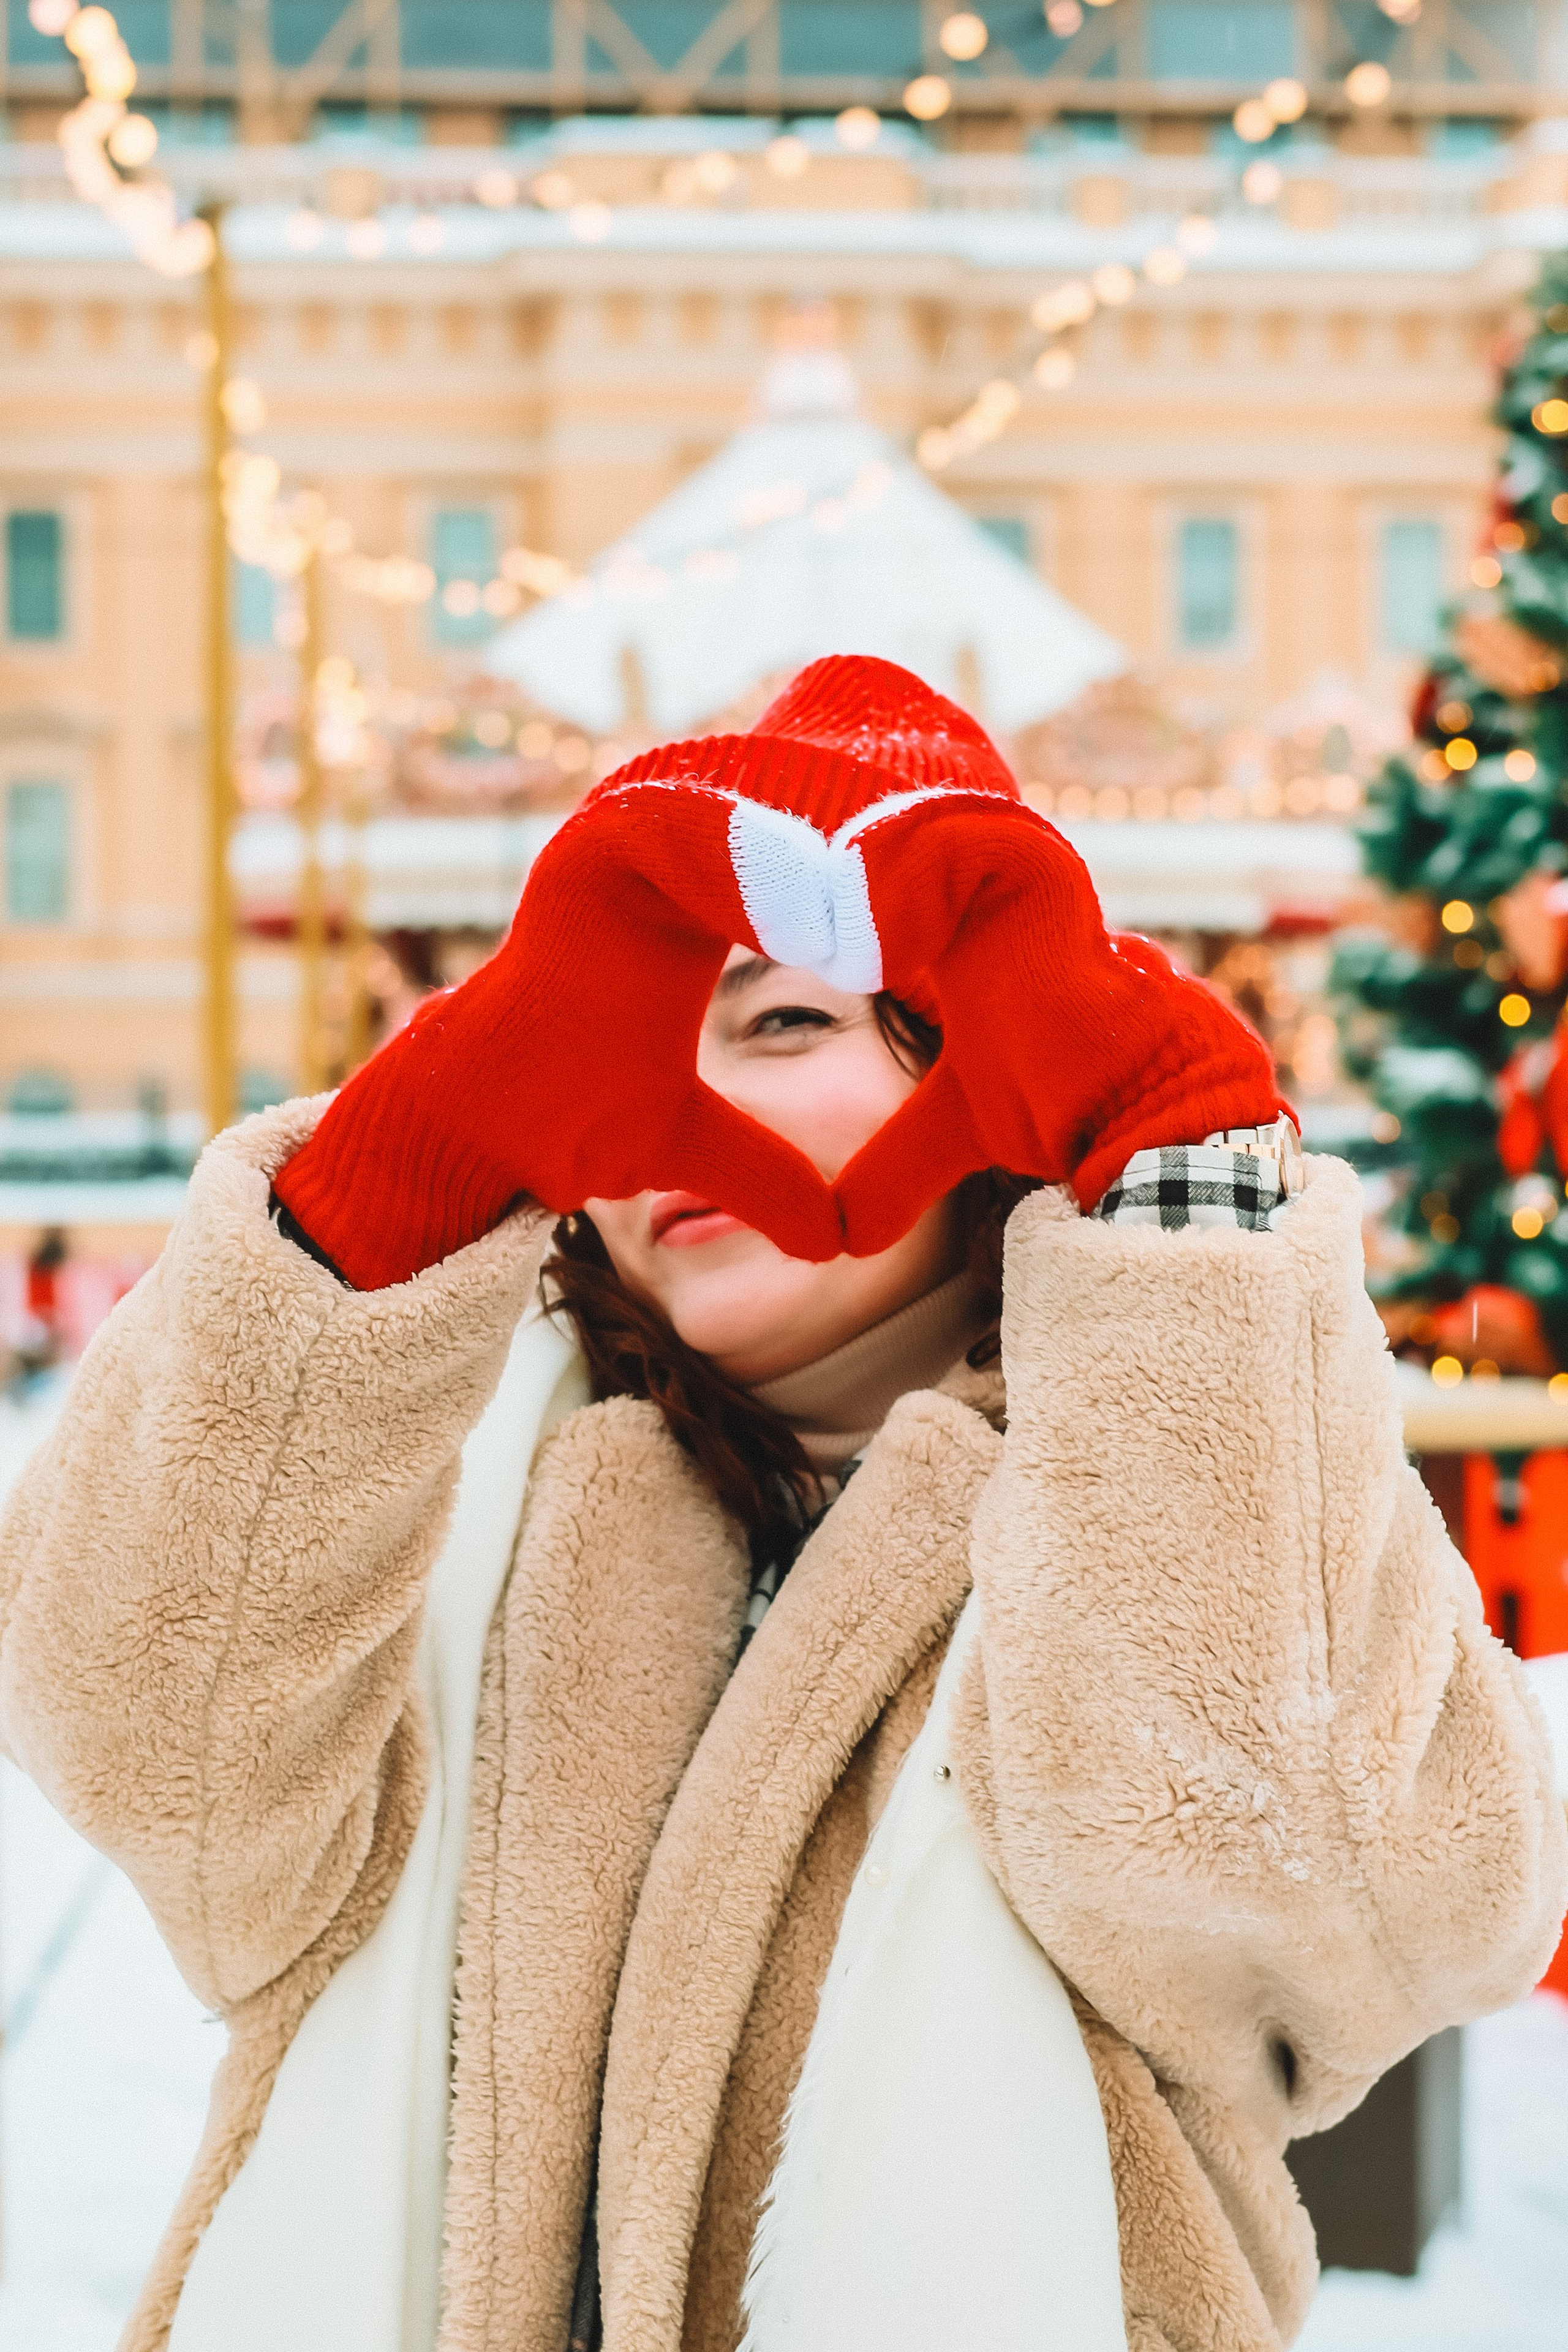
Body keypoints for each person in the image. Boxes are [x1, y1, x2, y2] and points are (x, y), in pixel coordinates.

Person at [1, 655, 1562, 2352]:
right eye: (621, 1044)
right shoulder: (404, 1508)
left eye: (786, 1022)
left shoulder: (1187, 1500)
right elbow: (130, 1716)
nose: (682, 1105)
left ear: (994, 1082)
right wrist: (409, 1164)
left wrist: (1175, 1162)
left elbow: (1342, 1912)